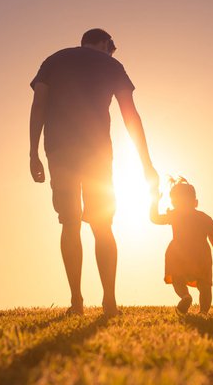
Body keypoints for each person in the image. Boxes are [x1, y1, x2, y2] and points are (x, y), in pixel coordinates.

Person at [29, 28, 157, 316]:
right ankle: (109, 301)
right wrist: (146, 164)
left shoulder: (53, 60)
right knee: (102, 225)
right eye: (110, 49)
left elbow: (38, 105)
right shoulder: (111, 65)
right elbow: (130, 115)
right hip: (97, 153)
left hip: (60, 151)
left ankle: (76, 302)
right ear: (104, 44)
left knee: (69, 223)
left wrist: (32, 152)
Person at [150, 178, 213, 315]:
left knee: (178, 279)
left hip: (179, 254)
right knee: (205, 285)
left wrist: (154, 200)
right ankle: (203, 312)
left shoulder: (175, 215)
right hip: (201, 256)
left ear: (174, 203)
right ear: (195, 202)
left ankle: (185, 296)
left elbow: (154, 218)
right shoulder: (204, 218)